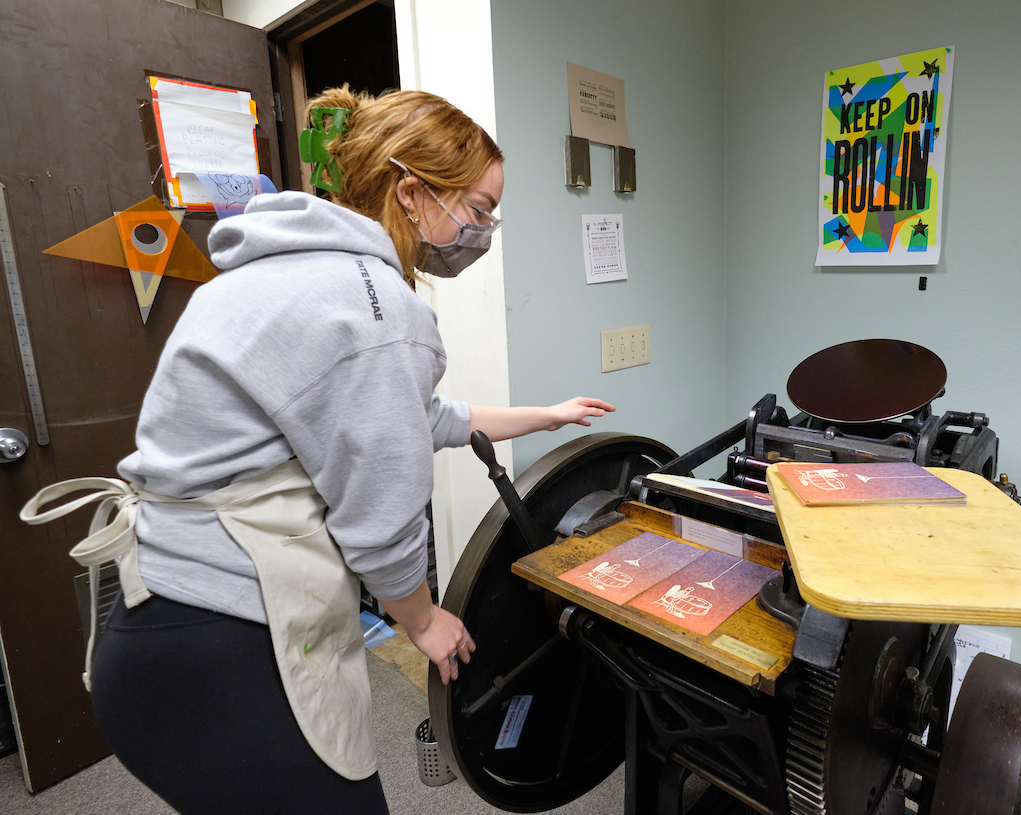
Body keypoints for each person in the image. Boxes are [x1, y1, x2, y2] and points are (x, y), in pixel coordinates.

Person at [21, 88, 613, 814]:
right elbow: (384, 515)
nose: (484, 229)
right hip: (230, 647)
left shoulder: (277, 273)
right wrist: (424, 620)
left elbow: (411, 417)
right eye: (480, 208)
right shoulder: (376, 307)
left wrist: (545, 415)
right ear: (412, 192)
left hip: (151, 630)